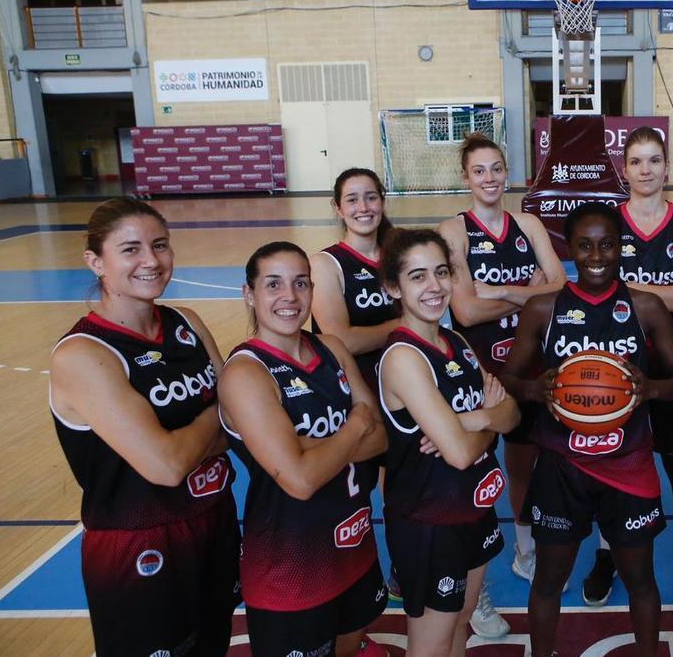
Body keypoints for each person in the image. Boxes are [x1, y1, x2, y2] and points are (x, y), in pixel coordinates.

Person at [500, 203, 673, 657]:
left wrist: (650, 389)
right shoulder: (542, 307)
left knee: (641, 580)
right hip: (561, 465)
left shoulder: (645, 306)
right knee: (548, 580)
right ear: (570, 249)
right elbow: (507, 379)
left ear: (621, 248)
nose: (597, 255)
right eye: (585, 245)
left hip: (628, 465)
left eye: (607, 244)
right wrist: (534, 388)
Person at [49, 197, 240, 656]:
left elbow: (239, 419)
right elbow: (167, 464)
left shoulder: (185, 323)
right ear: (96, 261)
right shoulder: (83, 354)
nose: (151, 261)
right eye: (130, 249)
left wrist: (213, 424)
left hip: (214, 517)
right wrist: (217, 416)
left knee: (211, 646)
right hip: (139, 541)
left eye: (160, 245)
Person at [220, 242, 388, 657]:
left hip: (354, 543)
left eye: (300, 284)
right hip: (291, 567)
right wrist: (354, 427)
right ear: (249, 293)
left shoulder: (331, 347)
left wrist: (308, 448)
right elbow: (300, 479)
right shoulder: (245, 373)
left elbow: (381, 437)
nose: (289, 297)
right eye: (273, 284)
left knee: (349, 646)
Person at [577, 126, 673, 616]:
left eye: (654, 160)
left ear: (666, 166)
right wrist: (665, 290)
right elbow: (595, 290)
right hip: (619, 357)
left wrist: (630, 289)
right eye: (636, 162)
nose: (646, 170)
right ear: (624, 169)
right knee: (613, 461)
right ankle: (608, 552)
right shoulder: (607, 223)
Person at [437, 134, 566, 632]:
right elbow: (466, 309)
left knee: (528, 457)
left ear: (507, 173)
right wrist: (527, 292)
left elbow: (558, 287)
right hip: (481, 368)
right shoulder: (454, 231)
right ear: (466, 177)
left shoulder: (528, 223)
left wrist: (503, 288)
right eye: (479, 171)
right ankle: (477, 588)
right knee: (476, 471)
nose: (489, 178)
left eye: (496, 169)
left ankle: (525, 548)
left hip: (533, 359)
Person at [377, 228, 521, 657]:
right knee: (431, 644)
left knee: (462, 620)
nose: (435, 286)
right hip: (428, 522)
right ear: (393, 286)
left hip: (472, 509)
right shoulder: (404, 358)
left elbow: (511, 415)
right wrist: (486, 422)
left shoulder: (455, 342)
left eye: (441, 272)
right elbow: (459, 453)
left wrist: (475, 419)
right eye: (417, 276)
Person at [310, 167, 399, 395]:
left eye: (371, 198)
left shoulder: (400, 257)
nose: (364, 208)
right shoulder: (325, 264)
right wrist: (408, 325)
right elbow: (342, 341)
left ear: (382, 201)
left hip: (403, 376)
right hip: (353, 388)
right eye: (352, 200)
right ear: (338, 208)